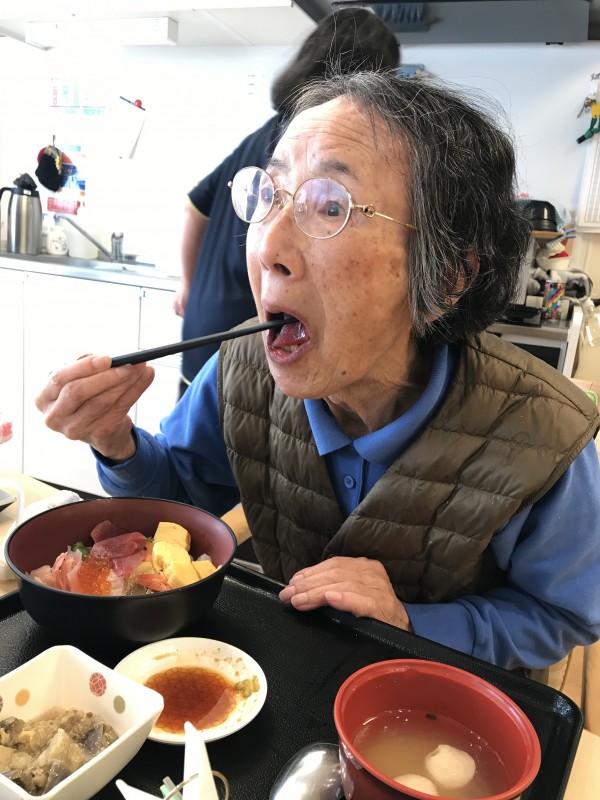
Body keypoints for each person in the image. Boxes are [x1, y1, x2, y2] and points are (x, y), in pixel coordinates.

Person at [37, 71, 600, 675]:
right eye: (271, 195)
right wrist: (116, 442)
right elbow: (180, 504)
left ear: (444, 278)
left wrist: (415, 624)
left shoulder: (541, 435)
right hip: (282, 684)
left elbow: (564, 614)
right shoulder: (241, 369)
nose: (267, 248)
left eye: (331, 206)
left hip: (444, 707)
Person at [174, 8, 400, 395]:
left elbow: (195, 207)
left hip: (204, 328)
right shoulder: (310, 144)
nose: (270, 248)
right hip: (241, 345)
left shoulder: (266, 133)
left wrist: (189, 285)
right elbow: (197, 205)